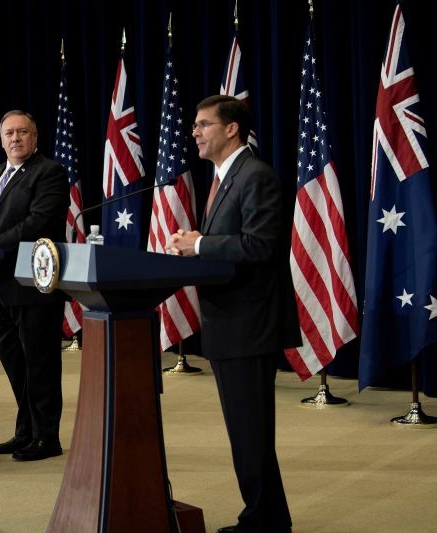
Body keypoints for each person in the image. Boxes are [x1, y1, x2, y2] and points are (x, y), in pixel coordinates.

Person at [166, 95, 300, 533]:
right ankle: (266, 517)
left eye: (204, 125)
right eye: (194, 126)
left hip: (249, 324)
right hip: (229, 321)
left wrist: (200, 244)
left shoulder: (254, 175)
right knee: (245, 431)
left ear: (231, 129)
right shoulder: (226, 177)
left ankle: (263, 522)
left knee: (251, 430)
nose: (195, 133)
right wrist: (197, 243)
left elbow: (260, 246)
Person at [0, 110, 69, 461]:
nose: (15, 138)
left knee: (40, 364)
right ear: (1, 139)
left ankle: (47, 437)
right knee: (15, 365)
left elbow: (40, 221)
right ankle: (25, 431)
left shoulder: (49, 172)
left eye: (22, 131)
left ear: (35, 137)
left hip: (32, 283)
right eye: (9, 132)